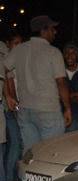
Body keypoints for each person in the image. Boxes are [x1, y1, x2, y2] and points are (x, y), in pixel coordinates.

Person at [3, 15, 72, 153]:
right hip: (48, 111)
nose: (55, 32)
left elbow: (3, 68)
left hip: (26, 111)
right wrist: (67, 108)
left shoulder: (19, 49)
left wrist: (8, 95)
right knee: (52, 153)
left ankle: (27, 175)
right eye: (52, 29)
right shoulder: (53, 52)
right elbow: (61, 82)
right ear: (44, 30)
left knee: (30, 154)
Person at [3, 31, 23, 181]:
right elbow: (9, 89)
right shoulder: (5, 61)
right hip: (7, 109)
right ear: (8, 44)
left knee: (11, 144)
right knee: (15, 142)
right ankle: (9, 179)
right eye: (16, 43)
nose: (19, 46)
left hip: (13, 109)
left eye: (20, 43)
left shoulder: (17, 63)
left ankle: (11, 177)